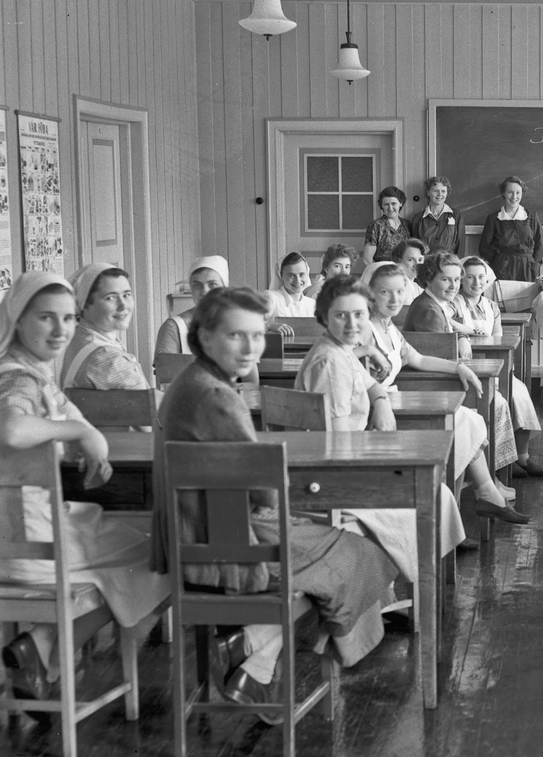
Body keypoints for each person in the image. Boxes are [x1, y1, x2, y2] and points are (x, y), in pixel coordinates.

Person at [151, 287, 400, 723]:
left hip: (197, 533)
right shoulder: (216, 395)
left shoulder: (190, 383)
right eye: (235, 336)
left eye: (256, 335)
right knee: (363, 554)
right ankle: (253, 649)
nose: (250, 347)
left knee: (338, 553)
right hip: (229, 547)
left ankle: (252, 653)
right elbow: (264, 489)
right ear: (204, 337)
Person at [0, 272, 168, 708]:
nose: (60, 330)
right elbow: (11, 429)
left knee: (124, 565)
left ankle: (42, 648)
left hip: (3, 540)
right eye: (46, 318)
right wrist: (75, 430)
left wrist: (84, 435)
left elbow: (89, 432)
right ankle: (45, 645)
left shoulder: (30, 371)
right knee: (159, 560)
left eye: (68, 318)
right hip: (27, 544)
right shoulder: (18, 378)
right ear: (17, 319)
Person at [295, 276, 465, 578]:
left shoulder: (340, 351)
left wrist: (382, 399)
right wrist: (382, 454)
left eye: (359, 315)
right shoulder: (330, 363)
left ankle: (384, 590)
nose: (352, 324)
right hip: (332, 480)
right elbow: (336, 444)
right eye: (340, 315)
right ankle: (402, 583)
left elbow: (368, 383)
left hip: (339, 464)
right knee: (433, 493)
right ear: (323, 317)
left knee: (436, 489)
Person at [361, 261, 527, 526]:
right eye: (384, 292)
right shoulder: (364, 330)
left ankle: (475, 500)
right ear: (370, 293)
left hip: (395, 403)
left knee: (469, 420)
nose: (394, 299)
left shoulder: (389, 328)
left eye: (399, 292)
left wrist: (458, 368)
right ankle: (477, 500)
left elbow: (417, 358)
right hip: (377, 414)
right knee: (461, 421)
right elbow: (362, 382)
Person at [404, 252, 521, 474]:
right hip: (429, 387)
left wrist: (463, 341)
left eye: (457, 280)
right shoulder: (429, 311)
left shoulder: (435, 304)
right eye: (445, 279)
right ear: (429, 278)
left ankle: (490, 477)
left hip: (438, 380)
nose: (453, 286)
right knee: (495, 403)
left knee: (498, 400)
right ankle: (490, 478)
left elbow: (448, 342)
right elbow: (436, 360)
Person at [451, 256, 543, 478]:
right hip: (466, 367)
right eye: (470, 277)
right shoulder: (454, 303)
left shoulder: (491, 306)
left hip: (492, 364)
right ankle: (505, 461)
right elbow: (448, 322)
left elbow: (499, 340)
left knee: (519, 393)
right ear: (461, 280)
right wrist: (469, 333)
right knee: (501, 399)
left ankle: (522, 457)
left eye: (481, 277)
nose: (476, 283)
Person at [60, 262, 148, 391]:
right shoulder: (107, 357)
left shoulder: (80, 334)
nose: (123, 305)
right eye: (110, 298)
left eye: (127, 295)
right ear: (84, 304)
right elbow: (151, 406)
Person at [154, 255, 228, 355]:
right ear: (191, 289)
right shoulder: (175, 328)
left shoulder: (238, 324)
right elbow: (165, 369)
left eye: (212, 284)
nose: (204, 291)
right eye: (197, 285)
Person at [478, 176, 543, 282]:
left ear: (522, 194)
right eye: (510, 192)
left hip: (527, 268)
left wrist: (533, 264)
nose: (514, 196)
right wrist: (498, 262)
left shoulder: (531, 216)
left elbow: (541, 245)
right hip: (503, 268)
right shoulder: (494, 219)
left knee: (528, 297)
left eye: (518, 192)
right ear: (503, 193)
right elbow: (484, 247)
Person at [410, 176, 464, 255]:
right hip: (427, 263)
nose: (440, 194)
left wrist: (457, 265)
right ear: (428, 192)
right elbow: (415, 247)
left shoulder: (456, 215)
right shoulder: (418, 218)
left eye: (443, 191)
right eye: (436, 191)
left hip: (449, 263)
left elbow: (460, 244)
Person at [363, 186, 410, 265]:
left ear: (400, 203)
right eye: (386, 204)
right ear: (382, 206)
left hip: (403, 272)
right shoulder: (376, 226)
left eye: (393, 204)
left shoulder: (407, 225)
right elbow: (367, 260)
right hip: (383, 272)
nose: (390, 208)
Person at [263, 252, 316, 319]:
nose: (297, 280)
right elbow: (251, 324)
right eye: (291, 275)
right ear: (281, 275)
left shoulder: (312, 304)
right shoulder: (272, 298)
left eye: (301, 274)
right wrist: (270, 326)